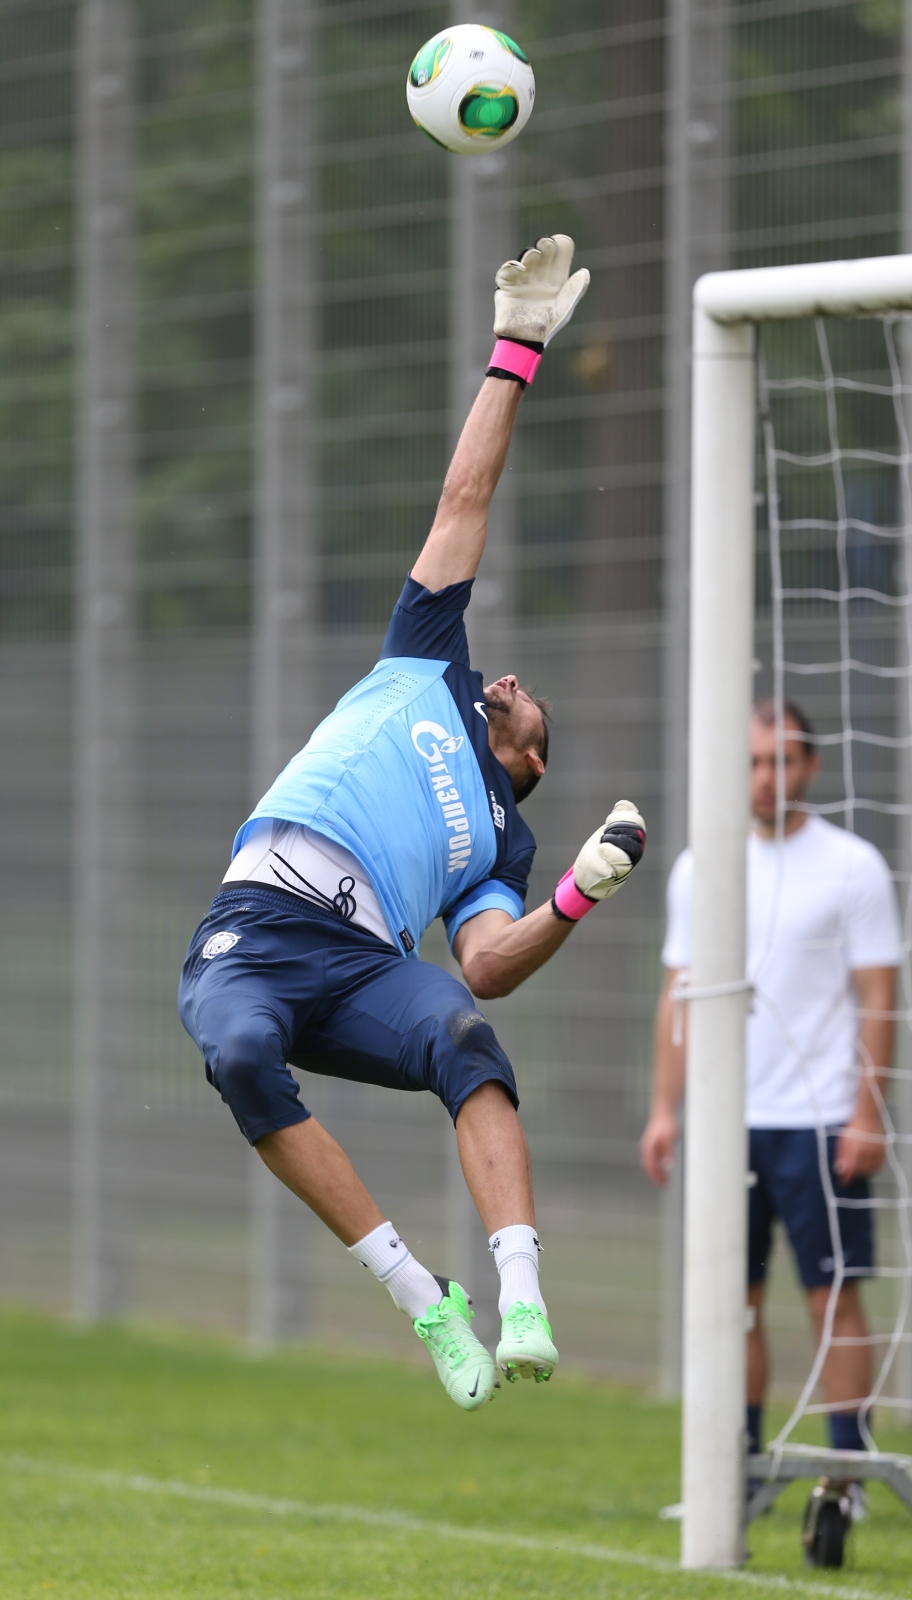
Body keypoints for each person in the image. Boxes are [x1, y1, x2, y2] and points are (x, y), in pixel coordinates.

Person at [178, 235, 646, 1413]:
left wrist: (578, 893)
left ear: (532, 754)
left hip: (361, 964)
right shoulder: (431, 659)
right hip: (260, 919)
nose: (514, 679)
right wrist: (518, 349)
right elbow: (465, 496)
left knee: (463, 1040)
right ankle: (424, 1300)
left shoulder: (504, 840)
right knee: (238, 1054)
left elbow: (485, 965)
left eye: (533, 699)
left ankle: (522, 1296)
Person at [640, 700, 900, 1494]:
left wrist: (867, 1111)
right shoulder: (702, 866)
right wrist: (665, 1107)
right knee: (733, 1303)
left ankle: (847, 1475)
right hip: (726, 1127)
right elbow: (678, 994)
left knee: (831, 1303)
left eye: (780, 761)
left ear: (810, 767)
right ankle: (740, 1474)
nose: (764, 778)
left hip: (820, 1124)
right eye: (751, 763)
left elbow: (878, 999)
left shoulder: (854, 866)